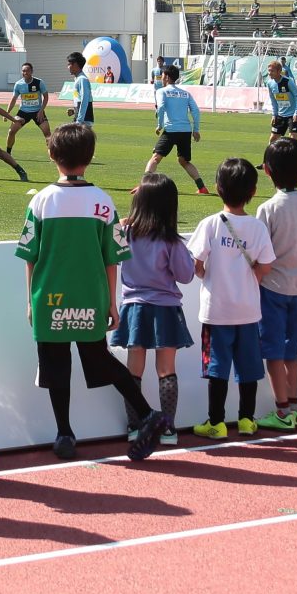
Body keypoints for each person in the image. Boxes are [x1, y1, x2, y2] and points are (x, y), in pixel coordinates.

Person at [19, 123, 166, 460]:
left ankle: (65, 433)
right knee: (100, 358)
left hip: (49, 297)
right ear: (89, 157)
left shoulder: (41, 201)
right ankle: (147, 414)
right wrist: (111, 302)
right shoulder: (102, 201)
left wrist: (30, 300)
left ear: (51, 154)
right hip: (91, 295)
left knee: (56, 364)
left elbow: (30, 256)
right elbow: (112, 258)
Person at [188, 158, 276, 440]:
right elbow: (266, 265)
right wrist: (252, 279)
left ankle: (216, 422)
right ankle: (247, 419)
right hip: (248, 309)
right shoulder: (258, 227)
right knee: (248, 367)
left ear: (217, 187)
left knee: (216, 367)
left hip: (217, 310)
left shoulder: (210, 224)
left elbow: (195, 263)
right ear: (253, 191)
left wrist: (206, 275)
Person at [110, 174, 195, 444]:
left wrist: (134, 207)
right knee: (166, 370)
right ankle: (168, 429)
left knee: (133, 370)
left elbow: (110, 245)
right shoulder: (171, 241)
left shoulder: (125, 233)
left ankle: (134, 426)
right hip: (165, 309)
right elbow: (186, 275)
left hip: (134, 307)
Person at [255, 138, 297, 429]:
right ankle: (293, 405)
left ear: (267, 170)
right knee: (291, 351)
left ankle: (282, 410)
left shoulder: (268, 208)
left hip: (273, 287)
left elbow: (261, 251)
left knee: (273, 353)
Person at [141, 64, 209, 194]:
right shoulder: (185, 93)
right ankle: (202, 187)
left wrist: (160, 125)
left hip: (171, 130)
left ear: (166, 77)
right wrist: (196, 129)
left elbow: (161, 107)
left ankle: (143, 186)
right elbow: (195, 111)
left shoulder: (161, 91)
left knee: (155, 158)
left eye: (162, 75)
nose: (161, 78)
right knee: (184, 160)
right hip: (185, 131)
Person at [5, 61, 52, 157]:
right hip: (23, 112)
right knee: (11, 131)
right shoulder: (18, 84)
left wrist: (41, 111)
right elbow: (13, 99)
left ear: (32, 71)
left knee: (47, 133)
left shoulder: (39, 82)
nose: (25, 73)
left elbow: (46, 97)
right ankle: (8, 153)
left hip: (37, 112)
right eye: (23, 71)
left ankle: (53, 155)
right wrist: (7, 113)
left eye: (27, 71)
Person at [264, 59, 297, 138]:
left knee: (293, 138)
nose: (269, 73)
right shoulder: (269, 83)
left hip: (292, 115)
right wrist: (274, 115)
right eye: (269, 70)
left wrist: (296, 113)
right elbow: (273, 100)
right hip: (280, 115)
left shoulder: (288, 81)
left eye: (272, 71)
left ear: (279, 71)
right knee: (273, 138)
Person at [66, 52, 95, 125]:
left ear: (75, 64)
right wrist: (75, 111)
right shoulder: (78, 79)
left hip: (83, 121)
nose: (68, 67)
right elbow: (79, 100)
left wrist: (79, 121)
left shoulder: (82, 79)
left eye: (69, 64)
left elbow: (84, 100)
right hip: (80, 119)